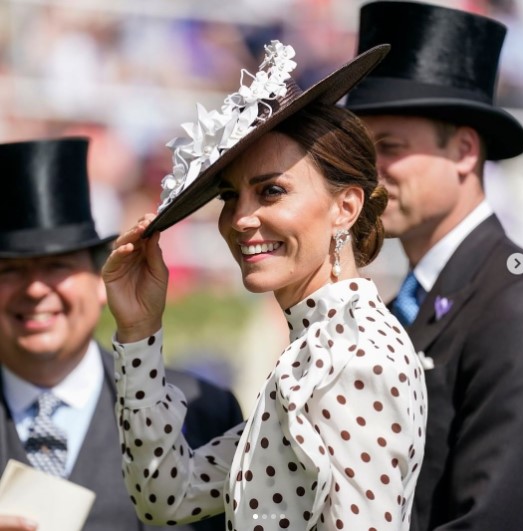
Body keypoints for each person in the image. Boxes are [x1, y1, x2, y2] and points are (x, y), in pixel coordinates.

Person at [102, 40, 427, 530]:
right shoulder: (316, 348)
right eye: (231, 197)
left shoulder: (356, 356)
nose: (241, 219)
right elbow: (167, 495)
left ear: (346, 207)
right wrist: (139, 332)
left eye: (272, 191)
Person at [345, 2, 523, 530]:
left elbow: (495, 516)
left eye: (390, 148)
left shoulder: (520, 304)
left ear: (464, 151)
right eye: (362, 153)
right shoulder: (395, 311)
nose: (370, 174)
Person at [0, 137, 243, 531]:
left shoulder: (202, 411)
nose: (35, 289)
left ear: (101, 281)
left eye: (58, 266)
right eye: (11, 270)